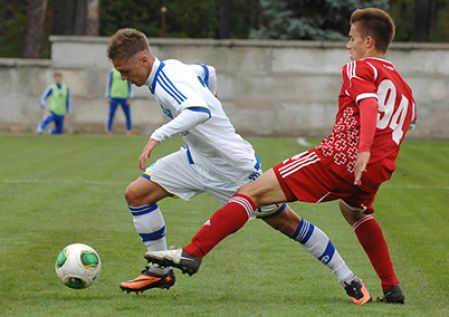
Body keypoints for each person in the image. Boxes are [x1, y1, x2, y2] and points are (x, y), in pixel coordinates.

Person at [145, 8, 416, 304]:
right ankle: (392, 287)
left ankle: (192, 253)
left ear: (367, 41)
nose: (348, 45)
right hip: (377, 170)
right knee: (354, 211)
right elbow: (403, 124)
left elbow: (369, 104)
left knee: (252, 192)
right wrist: (372, 156)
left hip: (341, 158)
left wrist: (362, 148)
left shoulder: (359, 68)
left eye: (351, 39)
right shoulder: (405, 89)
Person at [107, 28, 371, 304]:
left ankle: (348, 277)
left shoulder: (168, 79)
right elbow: (208, 72)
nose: (124, 78)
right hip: (196, 159)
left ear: (144, 60)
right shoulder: (171, 68)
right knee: (136, 195)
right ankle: (159, 271)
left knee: (287, 223)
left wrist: (157, 137)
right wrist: (213, 97)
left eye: (125, 71)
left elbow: (199, 110)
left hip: (233, 166)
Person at [105, 68, 134, 136]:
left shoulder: (126, 71)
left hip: (125, 97)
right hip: (113, 96)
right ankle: (108, 130)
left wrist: (130, 97)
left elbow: (130, 84)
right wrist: (108, 96)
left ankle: (129, 130)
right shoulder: (112, 71)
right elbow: (109, 83)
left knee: (127, 114)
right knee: (111, 114)